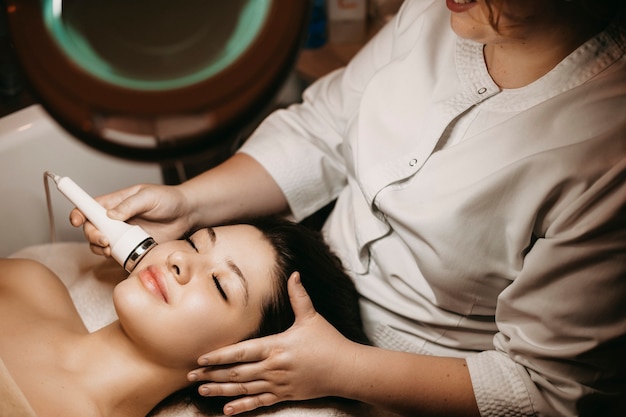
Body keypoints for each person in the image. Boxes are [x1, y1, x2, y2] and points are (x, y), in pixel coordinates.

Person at [71, 0, 626, 416]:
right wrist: (189, 203)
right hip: (305, 282)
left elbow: (547, 388)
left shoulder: (607, 149)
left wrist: (345, 371)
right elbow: (322, 131)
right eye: (197, 247)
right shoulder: (437, 11)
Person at [0, 217, 369, 417]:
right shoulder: (30, 284)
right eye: (195, 242)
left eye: (220, 286)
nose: (179, 260)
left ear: (250, 360)